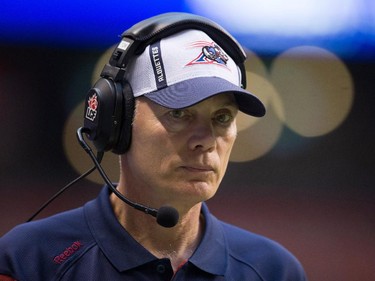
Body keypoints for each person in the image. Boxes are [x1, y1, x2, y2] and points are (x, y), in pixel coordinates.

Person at [0, 12, 307, 280]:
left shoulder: (273, 271)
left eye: (222, 116)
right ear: (116, 119)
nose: (206, 139)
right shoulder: (29, 260)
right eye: (179, 113)